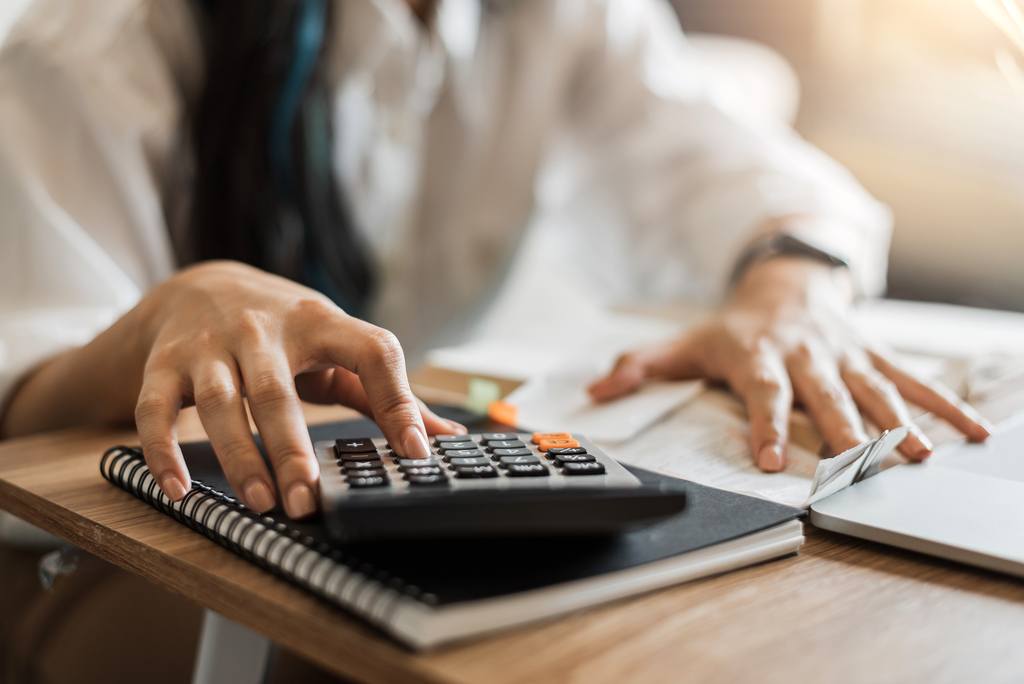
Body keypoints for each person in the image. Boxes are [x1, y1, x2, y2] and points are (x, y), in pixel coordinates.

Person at [0, 0, 992, 522]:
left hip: (383, 495)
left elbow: (736, 169)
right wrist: (173, 310)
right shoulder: (101, 39)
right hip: (108, 530)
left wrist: (786, 296)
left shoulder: (557, 12)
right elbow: (19, 395)